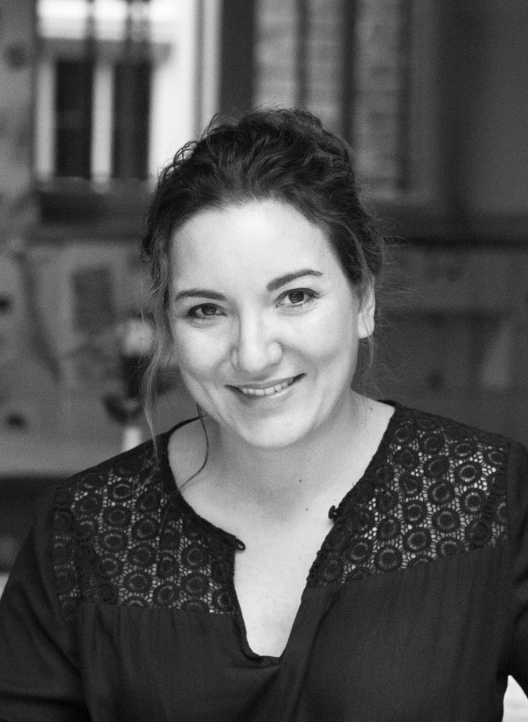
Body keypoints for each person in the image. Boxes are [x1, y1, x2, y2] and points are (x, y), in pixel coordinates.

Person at [0, 108, 527, 722]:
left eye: (295, 297)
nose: (253, 355)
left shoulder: (487, 496)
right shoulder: (83, 533)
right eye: (206, 310)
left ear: (363, 300)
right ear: (168, 326)